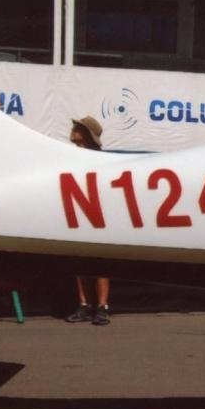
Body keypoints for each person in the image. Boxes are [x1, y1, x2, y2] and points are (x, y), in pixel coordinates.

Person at [66, 115, 111, 326]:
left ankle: (101, 307)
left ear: (86, 135)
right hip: (77, 211)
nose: (73, 130)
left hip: (97, 212)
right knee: (80, 262)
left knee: (100, 262)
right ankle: (84, 306)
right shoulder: (69, 156)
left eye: (78, 127)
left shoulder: (99, 160)